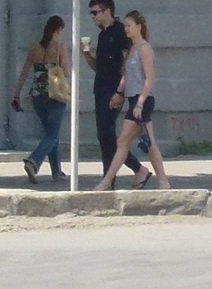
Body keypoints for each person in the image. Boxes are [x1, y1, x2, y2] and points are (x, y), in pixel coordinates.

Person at [96, 11, 171, 190]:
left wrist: (140, 103)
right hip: (133, 99)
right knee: (149, 142)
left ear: (139, 27)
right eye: (126, 25)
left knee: (123, 141)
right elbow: (126, 76)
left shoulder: (144, 48)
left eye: (129, 25)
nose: (126, 29)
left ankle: (106, 182)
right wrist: (118, 93)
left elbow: (150, 78)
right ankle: (163, 181)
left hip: (141, 100)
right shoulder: (132, 49)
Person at [83, 1, 143, 187]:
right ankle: (113, 177)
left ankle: (117, 176)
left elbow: (127, 65)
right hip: (100, 88)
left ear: (107, 11)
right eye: (91, 13)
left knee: (107, 134)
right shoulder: (102, 35)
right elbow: (98, 67)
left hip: (114, 90)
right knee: (104, 136)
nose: (92, 17)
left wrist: (120, 91)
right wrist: (86, 54)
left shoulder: (120, 32)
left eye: (95, 13)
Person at [11, 15, 70, 184]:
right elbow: (67, 71)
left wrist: (16, 95)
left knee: (50, 134)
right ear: (59, 30)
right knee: (52, 135)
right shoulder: (59, 47)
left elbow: (24, 73)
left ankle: (57, 172)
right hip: (55, 95)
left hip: (37, 95)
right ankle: (33, 161)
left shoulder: (35, 47)